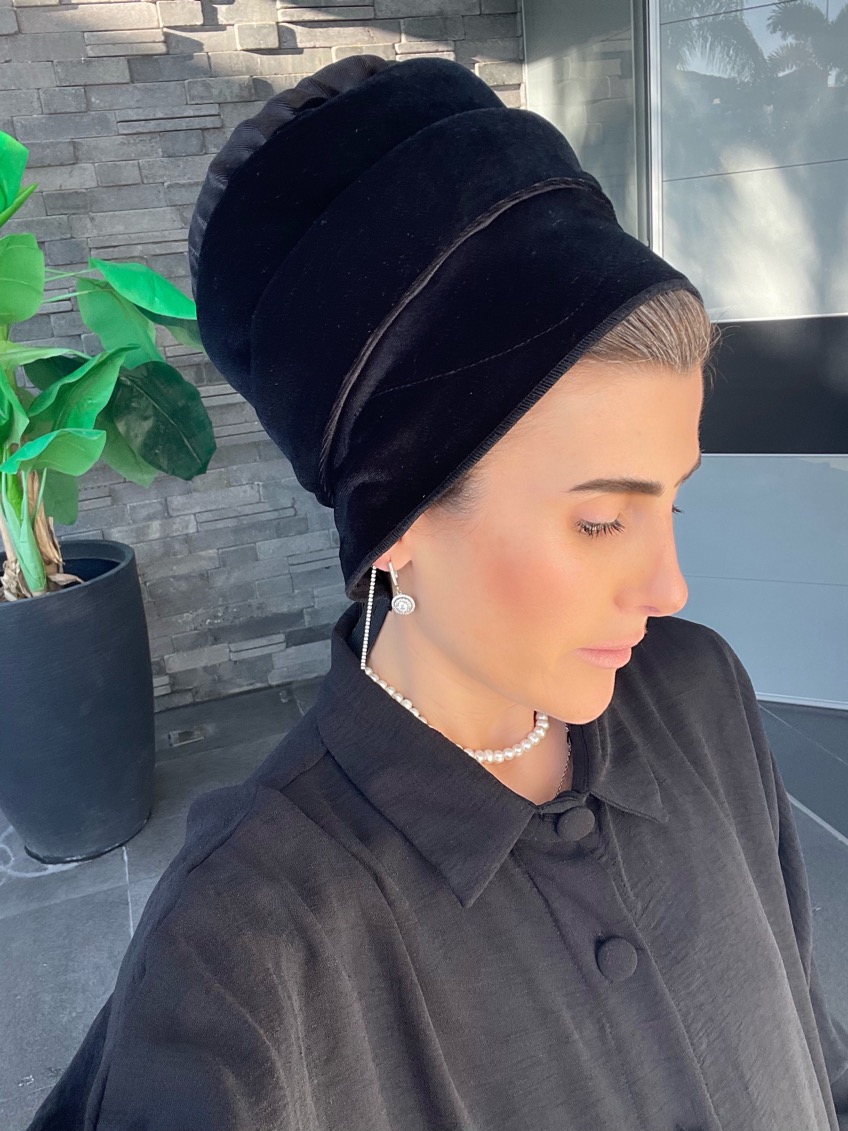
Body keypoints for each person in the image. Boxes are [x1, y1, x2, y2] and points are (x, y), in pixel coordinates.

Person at [26, 54, 848, 1131]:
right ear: (398, 518)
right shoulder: (246, 957)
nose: (669, 585)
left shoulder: (698, 695)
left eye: (673, 501)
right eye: (601, 520)